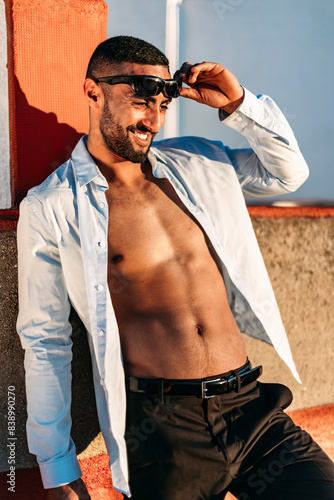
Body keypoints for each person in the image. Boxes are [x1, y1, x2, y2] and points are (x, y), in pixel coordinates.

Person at [17, 36, 334, 500]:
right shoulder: (54, 206)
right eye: (141, 101)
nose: (155, 119)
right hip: (164, 433)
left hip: (251, 408)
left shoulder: (199, 162)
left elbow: (287, 172)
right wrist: (58, 470)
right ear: (93, 91)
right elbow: (45, 341)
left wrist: (239, 102)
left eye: (163, 103)